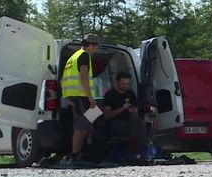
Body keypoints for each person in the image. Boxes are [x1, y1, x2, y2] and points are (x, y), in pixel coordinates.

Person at [60, 34, 101, 164]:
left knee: (87, 123)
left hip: (74, 96)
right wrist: (91, 97)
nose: (97, 49)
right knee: (81, 126)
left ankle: (78, 153)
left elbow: (62, 79)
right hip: (81, 96)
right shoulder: (84, 56)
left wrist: (67, 96)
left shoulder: (74, 56)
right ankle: (74, 155)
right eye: (96, 46)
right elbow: (84, 77)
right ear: (91, 45)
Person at [102, 72, 148, 155]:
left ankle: (140, 151)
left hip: (130, 121)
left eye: (127, 84)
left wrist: (134, 110)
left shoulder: (130, 93)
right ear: (117, 82)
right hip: (116, 123)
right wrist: (122, 108)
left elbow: (135, 107)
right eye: (122, 84)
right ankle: (139, 152)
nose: (125, 86)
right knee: (140, 124)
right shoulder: (110, 94)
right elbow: (107, 115)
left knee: (141, 121)